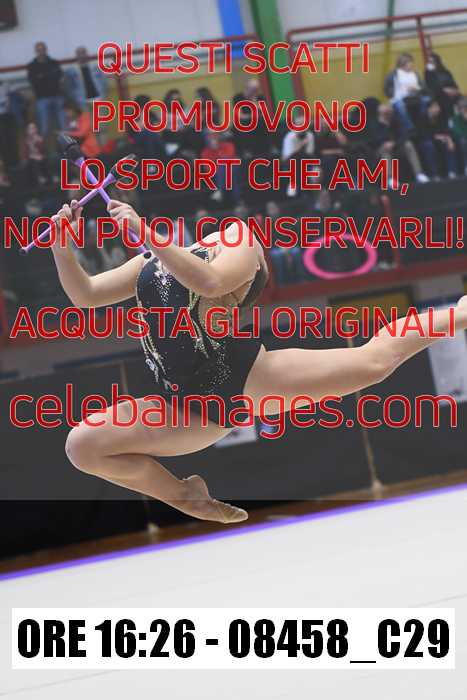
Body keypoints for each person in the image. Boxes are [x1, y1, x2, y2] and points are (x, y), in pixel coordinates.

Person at [52, 200, 467, 524]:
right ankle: (184, 495)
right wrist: (62, 247)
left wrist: (146, 233)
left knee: (374, 363)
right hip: (182, 405)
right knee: (82, 446)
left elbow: (211, 281)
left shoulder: (239, 239)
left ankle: (461, 311)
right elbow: (86, 295)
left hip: (243, 378)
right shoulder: (151, 262)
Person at [368, 103, 429, 184]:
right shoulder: (374, 124)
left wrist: (394, 143)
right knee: (385, 151)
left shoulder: (395, 121)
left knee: (408, 145)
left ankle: (419, 174)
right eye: (385, 112)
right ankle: (390, 178)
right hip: (380, 149)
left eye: (388, 111)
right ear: (379, 112)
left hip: (396, 146)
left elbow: (404, 135)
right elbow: (374, 140)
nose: (387, 113)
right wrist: (383, 125)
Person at [27, 41, 65, 138]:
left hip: (57, 96)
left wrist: (42, 77)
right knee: (44, 126)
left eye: (42, 49)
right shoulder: (31, 66)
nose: (41, 52)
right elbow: (34, 82)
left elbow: (60, 77)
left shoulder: (54, 62)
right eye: (39, 50)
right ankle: (45, 147)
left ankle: (68, 146)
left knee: (63, 125)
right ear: (36, 51)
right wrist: (50, 76)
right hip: (42, 98)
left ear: (46, 50)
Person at [384, 53, 427, 136]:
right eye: (409, 63)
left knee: (426, 101)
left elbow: (423, 87)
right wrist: (392, 94)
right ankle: (410, 127)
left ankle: (422, 123)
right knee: (400, 107)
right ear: (403, 64)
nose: (411, 65)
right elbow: (386, 88)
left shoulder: (415, 74)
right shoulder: (393, 74)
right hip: (399, 98)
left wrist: (417, 89)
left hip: (414, 96)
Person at [415, 99, 457, 179]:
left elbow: (446, 131)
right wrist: (436, 137)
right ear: (429, 109)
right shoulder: (422, 118)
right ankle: (434, 174)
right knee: (429, 146)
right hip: (426, 141)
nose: (438, 109)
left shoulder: (441, 116)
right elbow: (422, 134)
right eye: (435, 107)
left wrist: (449, 140)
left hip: (440, 140)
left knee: (449, 144)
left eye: (438, 107)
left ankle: (451, 171)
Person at [64, 46, 108, 110]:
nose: (82, 55)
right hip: (82, 101)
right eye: (79, 53)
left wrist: (104, 94)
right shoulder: (71, 71)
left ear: (87, 54)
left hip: (98, 98)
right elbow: (69, 87)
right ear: (76, 55)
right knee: (86, 116)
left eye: (83, 53)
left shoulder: (96, 67)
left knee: (101, 116)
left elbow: (104, 82)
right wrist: (75, 98)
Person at [281, 114, 315, 197]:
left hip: (305, 160)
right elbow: (288, 156)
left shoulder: (310, 135)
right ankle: (299, 192)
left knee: (303, 164)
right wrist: (301, 144)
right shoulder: (290, 137)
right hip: (290, 162)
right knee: (296, 164)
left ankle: (303, 191)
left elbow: (309, 152)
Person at [424, 52, 460, 120]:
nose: (430, 64)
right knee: (445, 100)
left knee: (462, 100)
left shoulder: (446, 72)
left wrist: (454, 90)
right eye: (429, 62)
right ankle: (450, 120)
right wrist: (445, 90)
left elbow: (454, 84)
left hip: (452, 93)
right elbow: (432, 86)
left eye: (432, 62)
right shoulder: (428, 73)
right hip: (438, 94)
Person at [451, 96, 467, 174]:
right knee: (463, 142)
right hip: (461, 139)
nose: (464, 110)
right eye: (462, 108)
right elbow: (457, 132)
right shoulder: (455, 118)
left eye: (465, 108)